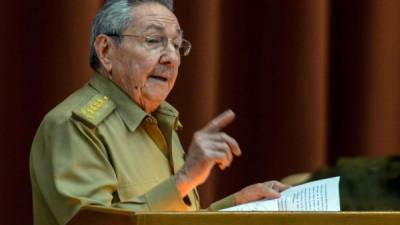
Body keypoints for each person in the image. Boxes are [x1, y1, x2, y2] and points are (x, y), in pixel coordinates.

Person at [29, 0, 289, 225]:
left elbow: (167, 218)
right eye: (154, 41)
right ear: (106, 51)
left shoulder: (160, 120)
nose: (171, 58)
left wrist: (236, 206)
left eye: (177, 45)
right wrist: (184, 179)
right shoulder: (74, 126)